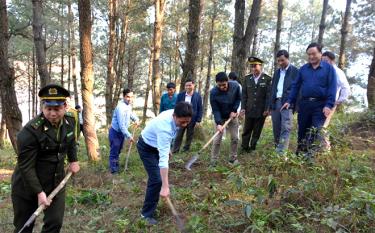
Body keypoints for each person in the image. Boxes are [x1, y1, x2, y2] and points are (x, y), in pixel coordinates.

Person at [11, 84, 80, 233]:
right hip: (27, 186)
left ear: (65, 106)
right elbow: (26, 167)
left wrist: (73, 160)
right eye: (48, 108)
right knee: (24, 227)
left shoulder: (70, 121)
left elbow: (70, 140)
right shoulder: (30, 131)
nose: (52, 113)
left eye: (57, 109)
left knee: (55, 223)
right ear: (43, 107)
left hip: (55, 183)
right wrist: (39, 192)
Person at [137, 102, 193, 225]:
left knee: (158, 179)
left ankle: (154, 199)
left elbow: (167, 139)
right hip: (146, 148)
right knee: (157, 180)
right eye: (182, 122)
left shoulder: (177, 112)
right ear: (174, 116)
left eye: (187, 122)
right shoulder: (164, 127)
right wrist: (165, 187)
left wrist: (166, 148)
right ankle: (145, 215)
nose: (184, 125)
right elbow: (163, 161)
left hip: (156, 144)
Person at [281, 42, 337, 158]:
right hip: (305, 104)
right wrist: (289, 100)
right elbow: (295, 86)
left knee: (316, 130)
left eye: (314, 54)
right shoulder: (303, 69)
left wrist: (329, 105)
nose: (311, 57)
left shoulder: (329, 69)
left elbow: (332, 88)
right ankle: (300, 154)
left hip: (320, 105)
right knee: (302, 130)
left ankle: (310, 157)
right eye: (309, 54)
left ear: (320, 53)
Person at [270, 50, 299, 154]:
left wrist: (294, 105)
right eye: (278, 61)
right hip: (276, 102)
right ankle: (277, 151)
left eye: (282, 60)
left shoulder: (295, 71)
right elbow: (273, 88)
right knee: (276, 128)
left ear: (288, 58)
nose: (280, 63)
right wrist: (270, 104)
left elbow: (298, 89)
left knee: (285, 128)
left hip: (287, 103)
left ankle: (281, 155)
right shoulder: (277, 72)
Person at [240, 56, 272, 152]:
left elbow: (268, 96)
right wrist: (243, 107)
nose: (253, 68)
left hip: (261, 110)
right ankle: (244, 147)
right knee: (247, 129)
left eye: (255, 66)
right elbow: (244, 95)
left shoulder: (267, 79)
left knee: (257, 130)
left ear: (260, 66)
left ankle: (253, 147)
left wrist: (267, 109)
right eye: (252, 66)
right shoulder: (247, 78)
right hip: (249, 109)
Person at [210, 72, 241, 165]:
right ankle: (213, 160)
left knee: (235, 137)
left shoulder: (235, 86)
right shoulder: (213, 93)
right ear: (216, 84)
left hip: (232, 116)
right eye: (219, 85)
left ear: (228, 81)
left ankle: (233, 158)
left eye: (224, 85)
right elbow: (215, 110)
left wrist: (234, 110)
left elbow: (238, 99)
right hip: (220, 116)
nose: (222, 87)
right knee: (217, 139)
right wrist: (219, 123)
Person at [321, 51, 351, 149]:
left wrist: (338, 101)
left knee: (323, 126)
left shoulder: (337, 72)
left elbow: (346, 87)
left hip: (330, 103)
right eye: (322, 60)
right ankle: (319, 148)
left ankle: (326, 149)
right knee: (317, 126)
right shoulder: (324, 71)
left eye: (326, 60)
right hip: (320, 102)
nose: (324, 62)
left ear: (332, 60)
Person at [109, 88, 140, 174]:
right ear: (123, 96)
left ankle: (116, 165)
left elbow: (130, 114)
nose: (130, 99)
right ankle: (113, 171)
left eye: (131, 97)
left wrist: (136, 119)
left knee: (118, 150)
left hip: (121, 133)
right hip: (115, 133)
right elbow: (121, 125)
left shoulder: (128, 106)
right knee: (114, 151)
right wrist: (129, 136)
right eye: (128, 97)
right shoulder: (120, 108)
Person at [172, 79, 203, 153]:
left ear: (193, 85)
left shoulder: (198, 96)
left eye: (190, 85)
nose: (188, 87)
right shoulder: (180, 95)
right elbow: (176, 106)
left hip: (192, 119)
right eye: (186, 85)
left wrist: (198, 120)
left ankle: (186, 149)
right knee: (179, 135)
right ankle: (175, 150)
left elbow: (200, 108)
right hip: (181, 118)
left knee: (190, 135)